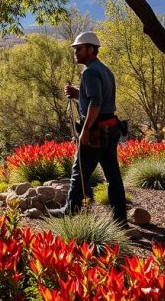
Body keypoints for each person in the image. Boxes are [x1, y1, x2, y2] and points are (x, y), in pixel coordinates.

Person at [51, 32, 128, 227]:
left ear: (92, 49)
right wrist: (79, 94)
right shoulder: (104, 70)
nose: (76, 52)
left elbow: (96, 102)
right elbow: (100, 100)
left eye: (79, 48)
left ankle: (70, 210)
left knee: (80, 172)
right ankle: (120, 219)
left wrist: (85, 131)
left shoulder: (90, 72)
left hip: (96, 132)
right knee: (113, 175)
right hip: (110, 129)